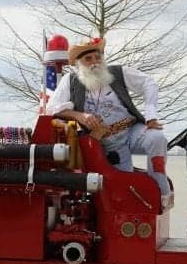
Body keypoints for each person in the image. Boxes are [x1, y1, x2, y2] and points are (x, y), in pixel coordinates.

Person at [45, 37, 170, 202]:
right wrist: (80, 116)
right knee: (122, 189)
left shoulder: (118, 73)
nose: (94, 62)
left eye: (98, 57)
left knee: (157, 138)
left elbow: (149, 83)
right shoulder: (70, 81)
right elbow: (52, 108)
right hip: (108, 143)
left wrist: (151, 114)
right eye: (88, 59)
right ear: (79, 63)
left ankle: (160, 194)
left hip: (132, 130)